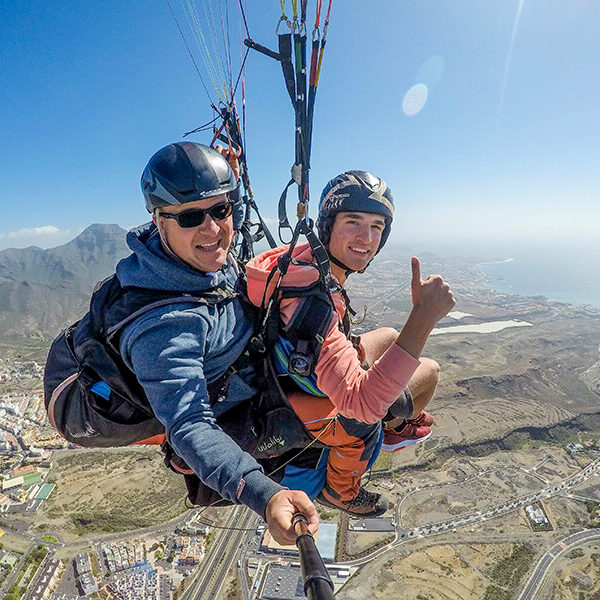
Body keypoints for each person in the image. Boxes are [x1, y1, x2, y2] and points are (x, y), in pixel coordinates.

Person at [116, 141, 318, 545]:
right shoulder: (164, 325)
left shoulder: (200, 253)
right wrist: (265, 495)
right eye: (190, 216)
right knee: (339, 408)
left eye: (219, 210)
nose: (211, 229)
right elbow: (189, 423)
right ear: (159, 221)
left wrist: (232, 175)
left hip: (254, 370)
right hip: (236, 413)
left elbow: (233, 223)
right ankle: (340, 486)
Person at [245, 171, 455, 516]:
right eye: (353, 222)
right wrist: (423, 316)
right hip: (291, 402)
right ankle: (342, 490)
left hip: (285, 373)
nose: (366, 237)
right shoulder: (312, 304)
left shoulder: (302, 261)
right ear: (327, 226)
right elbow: (360, 403)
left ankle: (397, 422)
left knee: (387, 336)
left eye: (376, 226)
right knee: (428, 372)